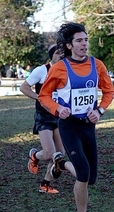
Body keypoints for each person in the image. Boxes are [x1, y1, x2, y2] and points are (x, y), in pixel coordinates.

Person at [39, 22, 114, 212]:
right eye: (79, 41)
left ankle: (60, 163)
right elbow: (44, 95)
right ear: (69, 45)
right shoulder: (59, 68)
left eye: (86, 40)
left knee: (91, 178)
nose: (84, 44)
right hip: (69, 125)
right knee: (82, 173)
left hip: (88, 125)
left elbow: (109, 91)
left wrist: (99, 111)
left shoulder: (97, 65)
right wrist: (58, 109)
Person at [20, 44, 76, 194]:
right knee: (49, 152)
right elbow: (23, 87)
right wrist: (40, 98)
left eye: (64, 54)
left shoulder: (66, 71)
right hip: (43, 117)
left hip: (59, 115)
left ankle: (45, 184)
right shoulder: (41, 70)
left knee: (59, 154)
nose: (61, 56)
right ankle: (34, 155)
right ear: (52, 55)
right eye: (58, 53)